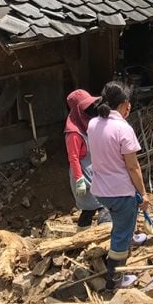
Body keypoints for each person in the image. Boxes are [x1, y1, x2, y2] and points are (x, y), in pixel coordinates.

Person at [86, 81, 152, 291]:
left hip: (101, 190)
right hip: (120, 192)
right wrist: (143, 192)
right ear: (125, 104)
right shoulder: (123, 128)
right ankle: (115, 280)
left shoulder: (93, 124)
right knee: (120, 236)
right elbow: (133, 167)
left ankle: (129, 235)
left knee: (121, 222)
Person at [64, 89, 110, 229]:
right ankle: (101, 235)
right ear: (78, 110)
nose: (92, 109)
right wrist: (79, 180)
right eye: (87, 107)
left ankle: (88, 237)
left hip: (96, 173)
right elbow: (73, 158)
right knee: (98, 208)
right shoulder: (73, 133)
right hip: (84, 177)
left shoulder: (88, 124)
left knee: (96, 208)